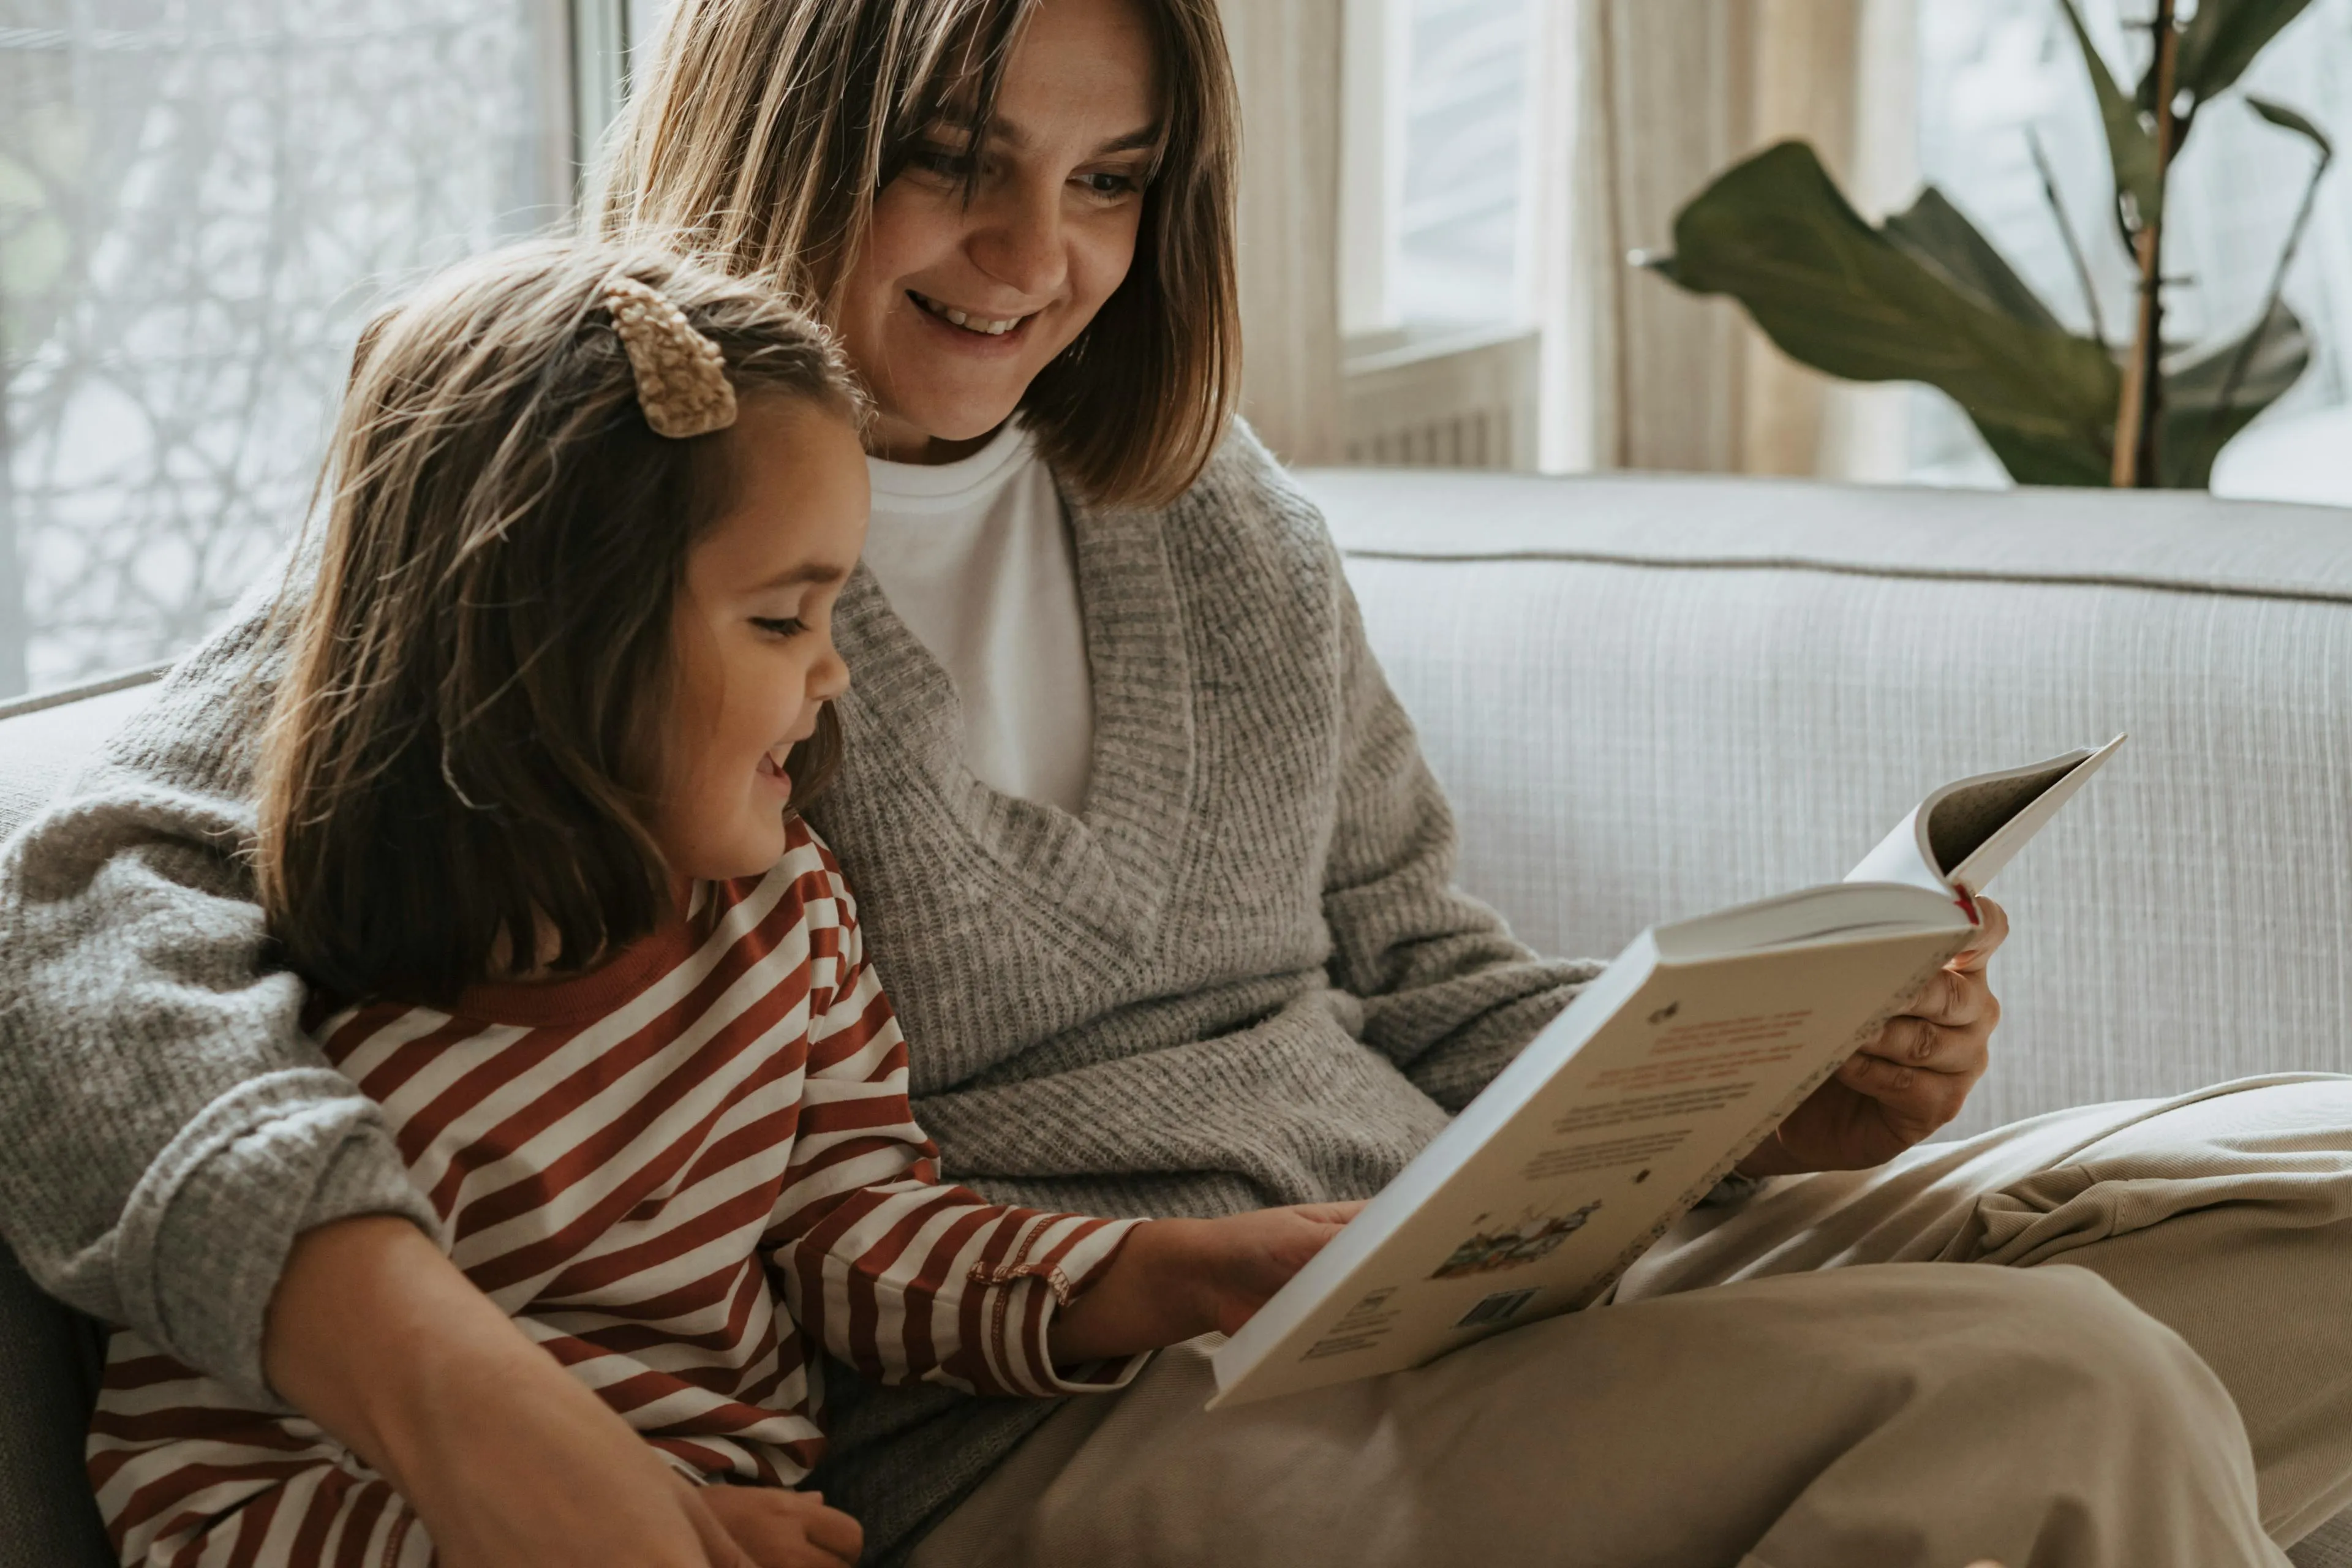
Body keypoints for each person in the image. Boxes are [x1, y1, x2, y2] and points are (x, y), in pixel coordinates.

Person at [3, 1, 2350, 1564]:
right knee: (2053, 1388)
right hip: (1075, 1413)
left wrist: (1773, 1093)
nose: (1040, 262)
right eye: (956, 163)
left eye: (1115, 185)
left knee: (2314, 1237)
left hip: (1430, 1279)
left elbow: (1432, 989)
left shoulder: (1211, 520)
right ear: (782, 126)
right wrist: (439, 1380)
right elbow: (72, 922)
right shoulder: (607, 521)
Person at [84, 240, 1356, 1567]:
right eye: (778, 622)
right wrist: (628, 1525)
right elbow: (195, 1515)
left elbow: (855, 1233)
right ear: (562, 630)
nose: (833, 677)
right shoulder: (332, 1075)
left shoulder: (781, 919)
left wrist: (1165, 1271)